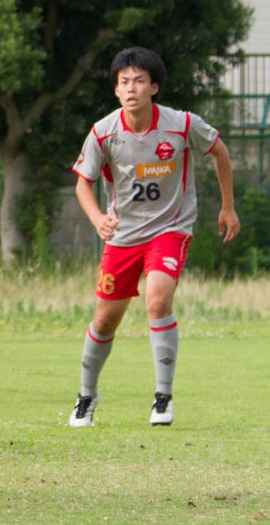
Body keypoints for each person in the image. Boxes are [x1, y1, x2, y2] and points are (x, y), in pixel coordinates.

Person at [68, 46, 237, 428]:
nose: (131, 88)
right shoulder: (104, 131)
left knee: (158, 301)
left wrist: (227, 206)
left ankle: (163, 399)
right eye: (124, 82)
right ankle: (86, 397)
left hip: (170, 229)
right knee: (105, 320)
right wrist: (97, 219)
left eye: (139, 81)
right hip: (123, 237)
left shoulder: (180, 124)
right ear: (115, 90)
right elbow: (83, 184)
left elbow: (220, 151)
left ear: (154, 87)